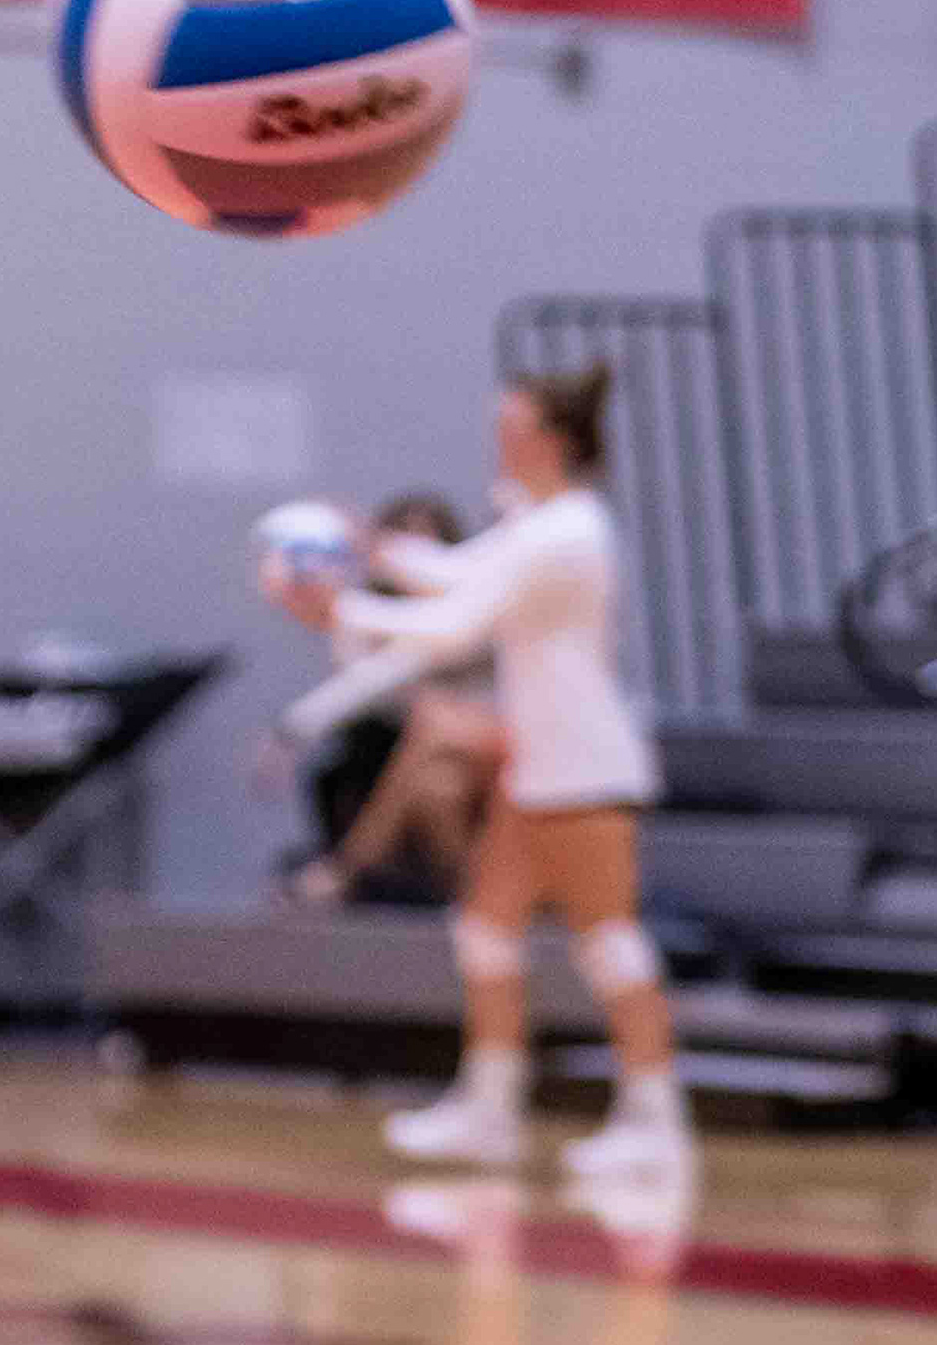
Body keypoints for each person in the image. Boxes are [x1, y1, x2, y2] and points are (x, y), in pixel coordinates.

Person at [267, 365, 690, 1187]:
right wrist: (373, 548)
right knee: (486, 931)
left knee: (609, 942)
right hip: (539, 765)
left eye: (513, 424)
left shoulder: (567, 532)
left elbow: (459, 624)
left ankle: (654, 1120)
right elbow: (459, 571)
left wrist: (341, 609)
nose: (498, 436)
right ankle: (490, 1110)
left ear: (551, 439)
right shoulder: (537, 524)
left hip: (584, 765)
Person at [270, 489, 487, 907]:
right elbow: (366, 677)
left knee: (434, 729)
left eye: (426, 545)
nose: (415, 556)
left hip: (486, 745)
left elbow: (407, 662)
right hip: (408, 749)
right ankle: (479, 905)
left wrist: (296, 724)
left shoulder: (472, 608)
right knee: (435, 786)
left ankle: (345, 871)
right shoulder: (378, 612)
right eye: (404, 541)